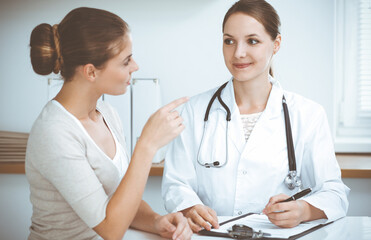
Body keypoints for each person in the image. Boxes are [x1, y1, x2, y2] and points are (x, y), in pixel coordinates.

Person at [162, 0, 349, 233]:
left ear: (276, 43)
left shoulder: (307, 114)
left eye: (252, 41)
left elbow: (335, 193)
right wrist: (190, 207)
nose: (238, 53)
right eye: (229, 41)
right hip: (214, 236)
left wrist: (303, 210)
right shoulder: (195, 111)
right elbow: (175, 183)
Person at [26, 7, 192, 240]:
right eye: (126, 61)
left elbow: (118, 201)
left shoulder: (106, 113)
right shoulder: (54, 133)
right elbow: (110, 229)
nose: (135, 66)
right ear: (91, 72)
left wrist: (156, 221)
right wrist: (147, 145)